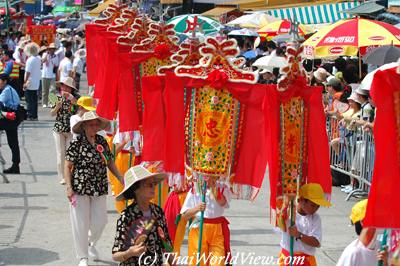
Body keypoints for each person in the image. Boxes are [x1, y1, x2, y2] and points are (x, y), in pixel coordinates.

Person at [66, 111, 123, 266]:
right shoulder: (76, 143)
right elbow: (68, 165)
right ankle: (83, 256)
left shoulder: (101, 141)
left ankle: (90, 242)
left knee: (101, 221)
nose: (94, 127)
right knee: (80, 223)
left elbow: (110, 161)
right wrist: (69, 187)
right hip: (79, 187)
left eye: (96, 124)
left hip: (99, 186)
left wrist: (120, 177)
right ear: (84, 126)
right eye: (91, 124)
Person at [112, 165, 174, 266]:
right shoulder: (127, 216)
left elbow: (166, 245)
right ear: (136, 189)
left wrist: (173, 262)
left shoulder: (158, 212)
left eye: (154, 184)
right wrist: (130, 252)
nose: (153, 187)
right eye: (149, 184)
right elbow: (115, 255)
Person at [181, 177, 231, 266]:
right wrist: (197, 208)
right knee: (198, 262)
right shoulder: (195, 188)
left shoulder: (222, 187)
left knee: (218, 262)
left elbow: (223, 203)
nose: (208, 176)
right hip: (198, 228)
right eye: (205, 174)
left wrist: (213, 188)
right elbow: (185, 215)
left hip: (217, 230)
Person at [278, 183, 331, 266]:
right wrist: (286, 205)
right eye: (313, 205)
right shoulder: (289, 212)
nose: (315, 209)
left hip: (306, 260)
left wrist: (299, 235)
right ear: (300, 200)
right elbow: (279, 221)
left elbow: (316, 242)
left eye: (318, 206)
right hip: (287, 258)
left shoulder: (316, 218)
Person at [51, 77, 79, 185]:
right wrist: (58, 106)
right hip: (59, 129)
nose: (65, 88)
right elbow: (52, 113)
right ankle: (61, 176)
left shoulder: (76, 98)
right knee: (60, 153)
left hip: (71, 130)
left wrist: (73, 101)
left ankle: (70, 175)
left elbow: (82, 110)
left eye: (68, 87)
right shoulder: (56, 97)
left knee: (70, 154)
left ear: (72, 89)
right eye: (64, 86)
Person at [337, 200, 380, 266]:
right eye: (378, 216)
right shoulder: (353, 253)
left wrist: (385, 262)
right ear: (363, 221)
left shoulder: (380, 246)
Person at [0, 73, 21, 174]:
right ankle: (15, 165)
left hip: (11, 118)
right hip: (11, 117)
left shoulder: (7, 90)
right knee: (12, 142)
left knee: (13, 142)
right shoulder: (8, 89)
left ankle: (15, 165)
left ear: (4, 81)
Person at [23, 42, 41, 121]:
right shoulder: (38, 58)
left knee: (29, 99)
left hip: (30, 81)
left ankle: (30, 115)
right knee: (34, 99)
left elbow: (28, 72)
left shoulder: (30, 60)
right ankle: (34, 115)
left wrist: (25, 81)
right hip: (36, 81)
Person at [41, 43, 58, 108]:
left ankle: (52, 102)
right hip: (45, 75)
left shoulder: (55, 56)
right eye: (51, 49)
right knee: (45, 91)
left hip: (52, 75)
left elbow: (56, 64)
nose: (52, 50)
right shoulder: (45, 54)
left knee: (52, 90)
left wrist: (51, 59)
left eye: (53, 49)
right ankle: (44, 103)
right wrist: (47, 55)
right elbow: (43, 61)